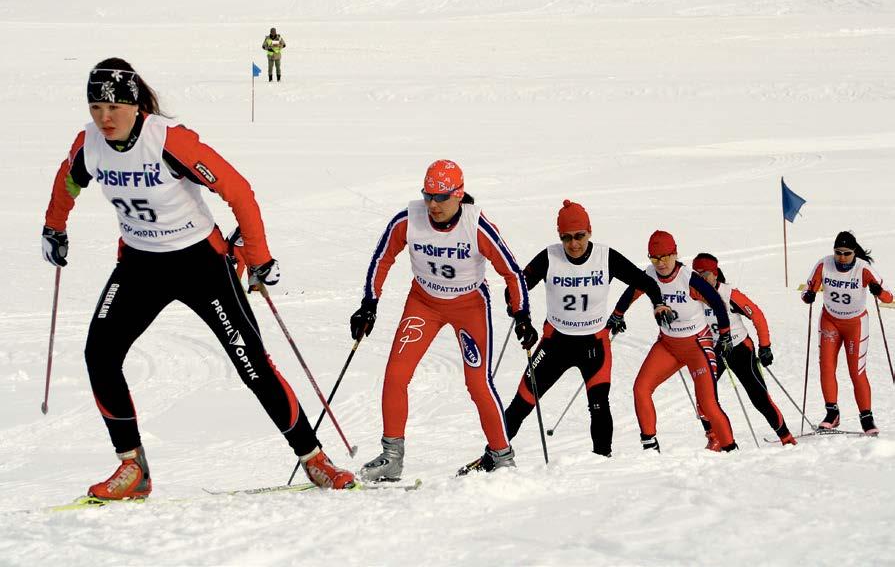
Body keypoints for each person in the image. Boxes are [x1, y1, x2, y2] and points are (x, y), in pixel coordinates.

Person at [41, 57, 354, 500]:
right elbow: (67, 184)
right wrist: (54, 227)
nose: (104, 118)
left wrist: (259, 257)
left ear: (135, 106)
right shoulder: (88, 144)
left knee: (252, 364)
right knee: (100, 353)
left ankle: (314, 458)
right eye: (95, 107)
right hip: (140, 264)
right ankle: (133, 469)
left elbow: (237, 188)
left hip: (200, 263)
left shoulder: (169, 142)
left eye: (113, 107)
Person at [349, 159, 536, 480]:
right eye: (428, 196)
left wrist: (522, 314)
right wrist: (369, 302)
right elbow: (382, 258)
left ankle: (502, 456)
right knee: (395, 375)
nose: (433, 205)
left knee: (478, 383)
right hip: (423, 304)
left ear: (459, 195)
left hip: (469, 307)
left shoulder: (477, 226)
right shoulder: (407, 220)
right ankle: (392, 457)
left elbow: (511, 272)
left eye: (441, 197)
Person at [494, 200, 671, 458]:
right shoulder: (549, 256)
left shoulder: (605, 256)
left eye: (579, 236)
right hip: (555, 344)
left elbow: (647, 282)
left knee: (599, 406)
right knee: (522, 403)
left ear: (589, 232)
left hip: (594, 345)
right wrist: (523, 319)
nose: (573, 244)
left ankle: (603, 461)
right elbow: (515, 290)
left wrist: (659, 304)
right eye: (566, 238)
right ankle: (494, 454)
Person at [610, 231, 738, 452]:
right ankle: (650, 446)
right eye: (655, 258)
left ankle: (729, 448)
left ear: (675, 254)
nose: (661, 263)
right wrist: (617, 314)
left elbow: (717, 303)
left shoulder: (688, 279)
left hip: (697, 345)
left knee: (708, 403)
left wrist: (725, 334)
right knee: (641, 388)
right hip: (668, 345)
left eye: (666, 257)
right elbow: (631, 292)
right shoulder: (649, 275)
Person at [691, 253, 796, 447]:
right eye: (696, 275)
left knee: (758, 397)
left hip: (739, 348)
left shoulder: (729, 294)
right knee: (703, 396)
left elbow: (757, 316)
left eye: (704, 274)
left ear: (714, 274)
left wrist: (765, 346)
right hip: (712, 351)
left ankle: (786, 437)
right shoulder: (693, 295)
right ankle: (715, 439)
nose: (700, 279)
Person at [801, 231, 892, 434]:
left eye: (847, 253)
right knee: (826, 367)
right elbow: (808, 290)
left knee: (856, 372)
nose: (842, 257)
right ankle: (832, 414)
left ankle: (867, 418)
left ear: (854, 252)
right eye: (838, 252)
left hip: (855, 325)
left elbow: (888, 298)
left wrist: (879, 291)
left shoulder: (863, 268)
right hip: (830, 321)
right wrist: (808, 295)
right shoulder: (824, 264)